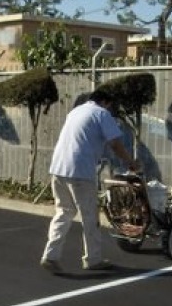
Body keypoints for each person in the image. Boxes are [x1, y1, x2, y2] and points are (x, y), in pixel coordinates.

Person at [40, 89, 138, 274]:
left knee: (64, 212)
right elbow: (115, 144)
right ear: (105, 102)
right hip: (80, 171)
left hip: (58, 168)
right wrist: (130, 162)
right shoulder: (101, 113)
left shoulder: (75, 112)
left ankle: (50, 256)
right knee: (90, 217)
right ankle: (93, 259)